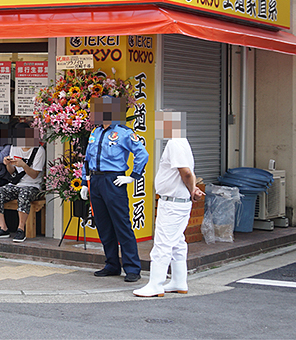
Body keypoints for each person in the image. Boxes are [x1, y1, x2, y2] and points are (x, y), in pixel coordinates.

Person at [134, 111, 205, 297]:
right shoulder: (183, 142)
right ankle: (179, 281)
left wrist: (192, 189)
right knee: (177, 242)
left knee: (163, 244)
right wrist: (193, 190)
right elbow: (189, 172)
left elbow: (186, 172)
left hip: (173, 203)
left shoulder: (175, 142)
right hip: (178, 202)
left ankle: (156, 284)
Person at [80, 95, 149, 283]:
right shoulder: (95, 132)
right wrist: (85, 182)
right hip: (95, 181)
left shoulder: (124, 132)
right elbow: (87, 158)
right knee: (103, 226)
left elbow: (142, 154)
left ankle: (133, 268)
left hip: (114, 180)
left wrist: (133, 176)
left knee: (122, 225)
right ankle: (111, 264)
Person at [0, 133, 46, 243]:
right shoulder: (15, 147)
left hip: (33, 186)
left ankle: (20, 229)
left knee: (23, 195)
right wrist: (7, 164)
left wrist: (23, 165)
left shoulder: (39, 150)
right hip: (16, 184)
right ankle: (3, 228)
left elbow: (34, 175)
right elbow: (12, 171)